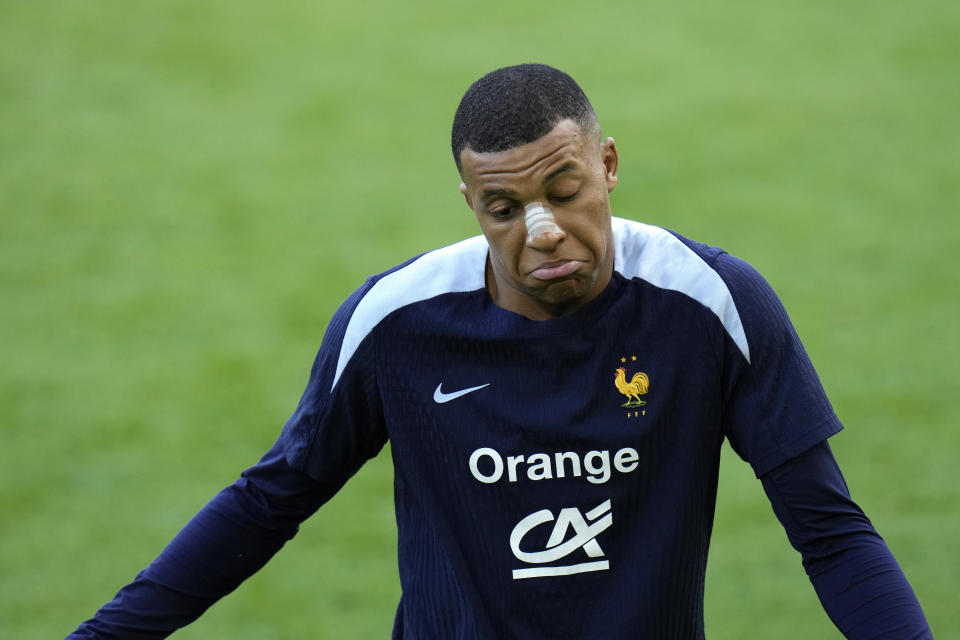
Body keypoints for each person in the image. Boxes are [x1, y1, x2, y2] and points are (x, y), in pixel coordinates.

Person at [68, 63, 932, 639]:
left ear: (609, 164)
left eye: (565, 190)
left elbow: (829, 531)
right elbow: (269, 500)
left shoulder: (708, 303)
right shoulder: (397, 322)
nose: (543, 232)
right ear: (470, 203)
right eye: (504, 208)